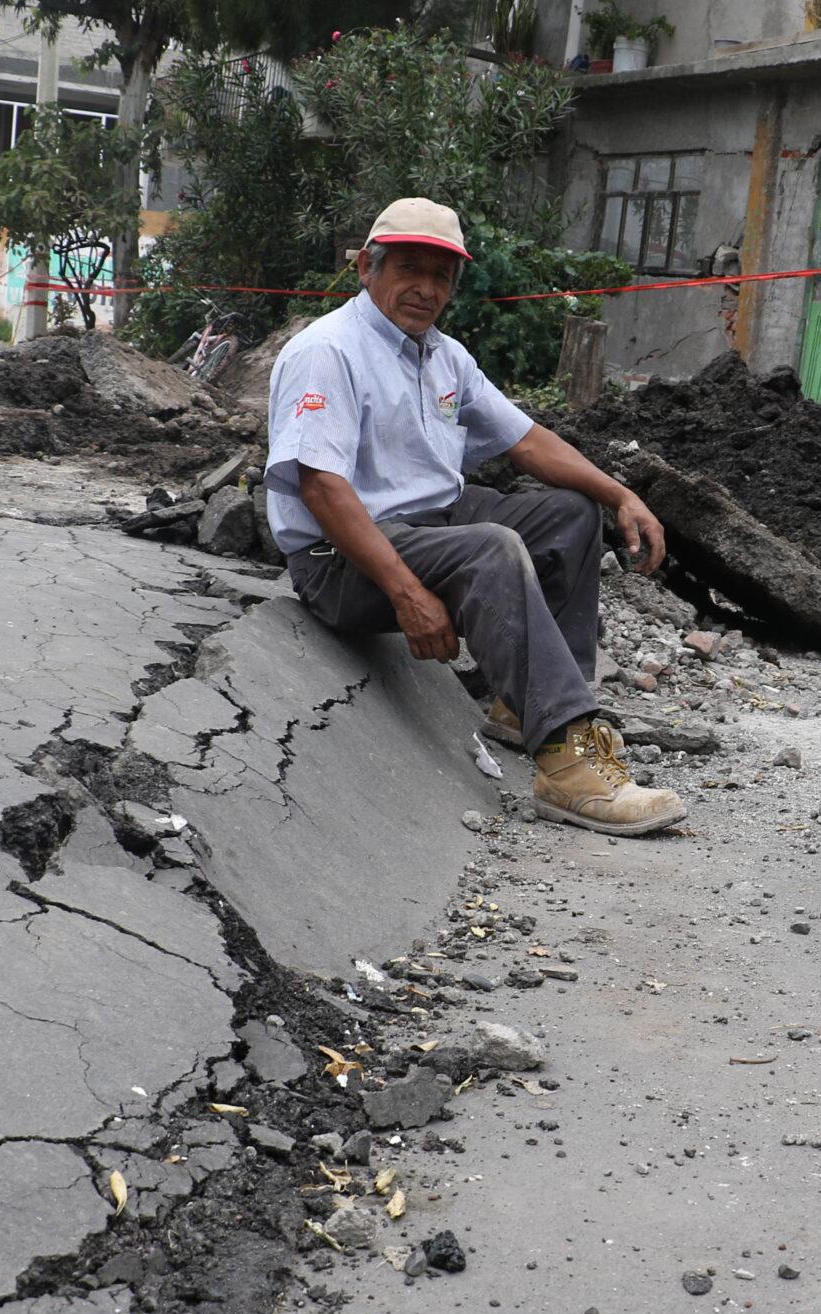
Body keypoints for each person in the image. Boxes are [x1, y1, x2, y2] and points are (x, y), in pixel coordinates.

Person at [264, 197, 686, 838]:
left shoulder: (443, 355)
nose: (425, 289)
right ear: (367, 268)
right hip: (340, 559)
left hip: (430, 521)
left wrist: (621, 494)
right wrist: (407, 594)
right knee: (492, 547)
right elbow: (320, 487)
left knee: (569, 513)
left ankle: (528, 708)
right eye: (408, 269)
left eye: (441, 276)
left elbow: (528, 441)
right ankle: (566, 765)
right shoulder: (328, 351)